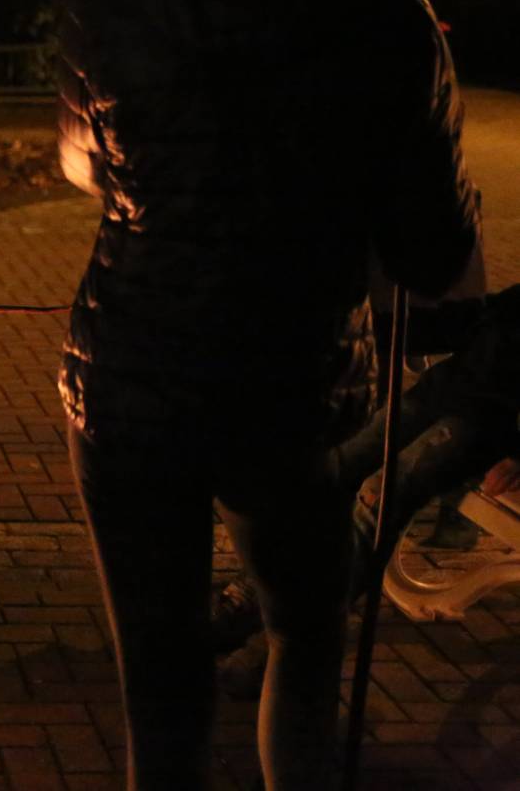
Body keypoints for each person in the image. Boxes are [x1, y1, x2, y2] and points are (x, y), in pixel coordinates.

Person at [54, 0, 480, 786]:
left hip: (133, 375)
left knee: (161, 676)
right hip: (296, 390)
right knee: (306, 633)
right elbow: (434, 257)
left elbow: (83, 167)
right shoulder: (388, 17)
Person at [213, 284, 520, 680]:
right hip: (449, 392)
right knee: (337, 464)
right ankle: (260, 590)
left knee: (381, 494)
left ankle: (292, 645)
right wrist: (371, 326)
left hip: (490, 425)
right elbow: (481, 321)